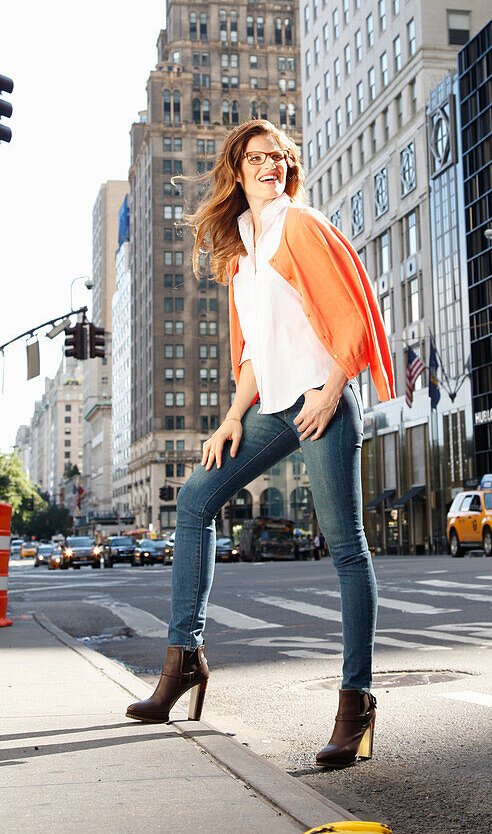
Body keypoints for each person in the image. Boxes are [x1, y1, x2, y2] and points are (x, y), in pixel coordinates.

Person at [126, 120, 395, 768]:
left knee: (347, 551)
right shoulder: (240, 250)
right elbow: (253, 354)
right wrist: (228, 420)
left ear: (288, 167)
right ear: (236, 170)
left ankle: (354, 705)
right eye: (256, 157)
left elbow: (351, 320)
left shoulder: (299, 225)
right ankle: (183, 661)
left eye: (278, 156)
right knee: (194, 501)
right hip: (271, 408)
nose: (269, 165)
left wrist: (330, 394)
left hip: (319, 402)